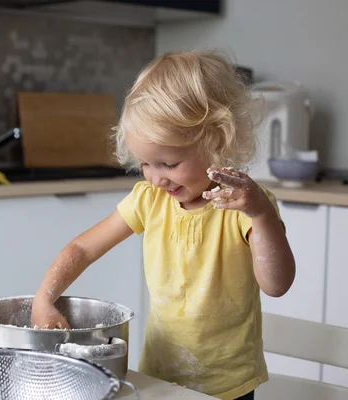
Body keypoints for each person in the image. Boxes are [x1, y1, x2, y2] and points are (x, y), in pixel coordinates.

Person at [30, 50, 296, 400]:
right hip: (160, 378)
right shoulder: (149, 200)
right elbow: (82, 249)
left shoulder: (243, 206)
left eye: (169, 163)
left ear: (216, 141)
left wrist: (262, 215)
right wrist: (43, 300)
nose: (156, 178)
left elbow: (276, 285)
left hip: (228, 387)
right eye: (145, 164)